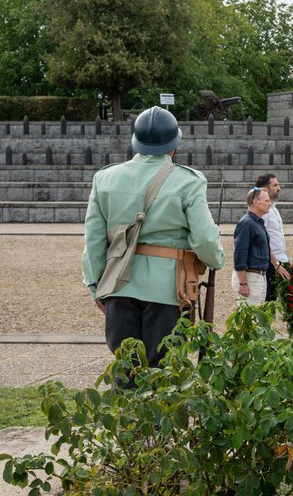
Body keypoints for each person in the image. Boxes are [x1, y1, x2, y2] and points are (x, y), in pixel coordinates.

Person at [82, 106, 225, 369]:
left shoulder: (104, 178)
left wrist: (95, 286)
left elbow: (93, 241)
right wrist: (217, 259)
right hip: (170, 290)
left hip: (117, 286)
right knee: (165, 374)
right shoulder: (189, 181)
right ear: (174, 146)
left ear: (136, 143)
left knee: (126, 370)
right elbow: (204, 240)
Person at [232, 187, 272, 305]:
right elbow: (240, 254)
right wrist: (243, 283)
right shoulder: (246, 223)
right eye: (266, 201)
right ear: (255, 202)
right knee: (250, 319)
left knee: (257, 318)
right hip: (250, 277)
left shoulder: (257, 222)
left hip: (258, 275)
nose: (269, 204)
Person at [256, 174, 291, 302]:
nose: (279, 188)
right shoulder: (264, 211)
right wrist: (275, 264)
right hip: (271, 264)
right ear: (264, 189)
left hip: (279, 260)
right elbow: (263, 239)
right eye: (275, 185)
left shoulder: (273, 208)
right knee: (268, 299)